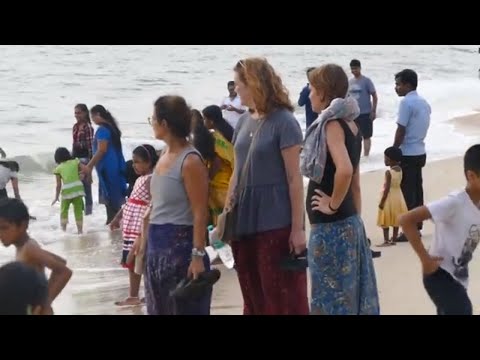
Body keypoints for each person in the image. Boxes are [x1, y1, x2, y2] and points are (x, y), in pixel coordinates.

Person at [224, 57, 309, 315]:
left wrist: (298, 229)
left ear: (254, 84)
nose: (235, 89)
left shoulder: (284, 121)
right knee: (252, 296)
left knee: (280, 296)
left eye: (239, 84)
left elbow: (294, 179)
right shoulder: (243, 121)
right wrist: (226, 214)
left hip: (275, 221)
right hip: (243, 221)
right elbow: (236, 171)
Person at [302, 63, 379, 315]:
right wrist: (356, 221)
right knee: (348, 298)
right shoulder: (351, 124)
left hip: (331, 229)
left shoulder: (332, 125)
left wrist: (331, 204)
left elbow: (345, 170)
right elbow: (355, 184)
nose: (309, 94)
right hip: (349, 224)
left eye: (312, 89)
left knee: (330, 300)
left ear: (323, 92)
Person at [145, 95, 213, 315]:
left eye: (153, 118)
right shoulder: (164, 154)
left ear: (164, 124)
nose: (152, 123)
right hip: (156, 249)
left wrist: (197, 256)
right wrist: (142, 237)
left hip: (180, 250)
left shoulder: (190, 160)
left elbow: (200, 212)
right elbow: (157, 203)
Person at [400, 145, 480, 315]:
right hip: (439, 273)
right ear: (471, 176)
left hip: (458, 276)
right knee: (463, 310)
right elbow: (406, 220)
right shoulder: (455, 203)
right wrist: (425, 259)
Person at [0, 198, 73, 314]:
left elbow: (64, 271)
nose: (1, 234)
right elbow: (61, 261)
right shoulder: (26, 246)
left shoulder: (29, 249)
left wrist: (44, 303)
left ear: (23, 226)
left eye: (4, 228)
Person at [109, 144, 157, 307]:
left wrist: (144, 231)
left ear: (149, 162)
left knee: (141, 260)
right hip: (130, 228)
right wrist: (117, 217)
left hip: (139, 228)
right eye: (134, 162)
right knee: (132, 263)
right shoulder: (139, 179)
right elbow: (129, 202)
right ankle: (133, 295)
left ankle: (149, 293)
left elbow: (153, 204)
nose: (134, 165)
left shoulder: (151, 179)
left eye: (137, 162)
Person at [393, 69, 431, 242]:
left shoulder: (406, 103)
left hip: (407, 152)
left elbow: (401, 129)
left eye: (399, 84)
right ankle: (417, 225)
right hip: (420, 151)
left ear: (408, 85)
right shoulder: (424, 102)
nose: (396, 87)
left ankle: (409, 228)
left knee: (407, 191)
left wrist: (394, 150)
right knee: (417, 189)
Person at [83, 105, 127, 225]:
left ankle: (113, 225)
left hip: (108, 168)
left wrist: (89, 166)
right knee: (115, 199)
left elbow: (102, 150)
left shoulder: (103, 130)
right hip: (115, 166)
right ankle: (117, 225)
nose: (92, 119)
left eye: (92, 116)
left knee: (110, 199)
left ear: (98, 115)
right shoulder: (112, 128)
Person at [194, 107, 235, 226]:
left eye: (205, 119)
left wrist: (208, 177)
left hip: (221, 184)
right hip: (229, 179)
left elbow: (217, 161)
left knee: (221, 221)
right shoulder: (227, 132)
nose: (203, 122)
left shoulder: (217, 138)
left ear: (211, 121)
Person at [377, 147, 408, 247]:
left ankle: (386, 240)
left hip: (389, 197)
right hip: (398, 196)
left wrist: (382, 202)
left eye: (386, 158)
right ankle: (394, 239)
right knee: (396, 219)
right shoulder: (400, 170)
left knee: (385, 218)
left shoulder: (388, 172)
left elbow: (387, 189)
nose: (385, 160)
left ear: (391, 159)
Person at [52, 147, 87, 234]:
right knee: (78, 210)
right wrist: (82, 175)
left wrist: (56, 197)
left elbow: (58, 185)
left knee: (64, 210)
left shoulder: (58, 168)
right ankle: (80, 231)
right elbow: (86, 169)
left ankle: (63, 231)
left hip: (67, 191)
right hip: (78, 189)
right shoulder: (75, 162)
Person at [349, 59, 378, 157]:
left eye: (356, 68)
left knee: (366, 136)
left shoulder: (366, 81)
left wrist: (373, 111)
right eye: (352, 69)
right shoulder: (350, 82)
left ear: (360, 68)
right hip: (353, 114)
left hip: (365, 113)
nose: (354, 71)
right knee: (354, 137)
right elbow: (347, 98)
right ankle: (357, 156)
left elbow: (374, 95)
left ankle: (366, 156)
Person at [72, 104, 94, 215]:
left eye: (79, 112)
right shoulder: (75, 127)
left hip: (85, 160)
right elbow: (73, 144)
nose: (76, 115)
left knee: (86, 189)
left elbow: (91, 148)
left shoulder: (88, 128)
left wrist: (90, 169)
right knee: (77, 189)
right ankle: (80, 214)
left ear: (85, 113)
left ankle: (88, 215)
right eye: (75, 113)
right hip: (75, 160)